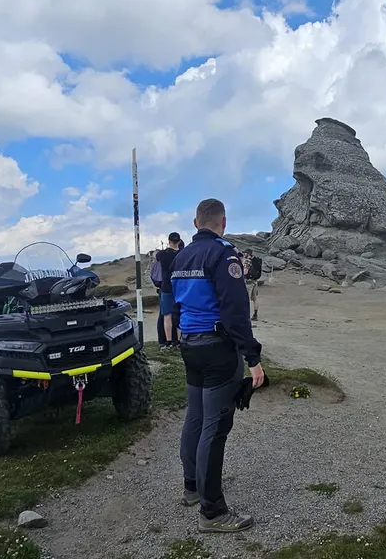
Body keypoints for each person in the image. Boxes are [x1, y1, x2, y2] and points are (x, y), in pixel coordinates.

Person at [170, 199, 263, 533]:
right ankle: (213, 513)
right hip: (217, 348)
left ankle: (192, 487)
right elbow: (235, 309)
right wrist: (252, 358)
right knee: (215, 426)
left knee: (195, 417)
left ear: (196, 222)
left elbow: (176, 302)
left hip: (190, 345)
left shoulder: (181, 256)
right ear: (222, 222)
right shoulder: (224, 254)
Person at [156, 232, 182, 350]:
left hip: (166, 286)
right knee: (180, 314)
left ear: (169, 240)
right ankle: (179, 341)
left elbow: (156, 258)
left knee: (167, 315)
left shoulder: (162, 254)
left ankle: (168, 341)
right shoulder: (183, 254)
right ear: (179, 241)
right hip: (180, 287)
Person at [240, 248, 262, 321]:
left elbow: (245, 272)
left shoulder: (247, 261)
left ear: (248, 253)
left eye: (245, 253)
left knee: (246, 299)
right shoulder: (255, 260)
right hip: (255, 281)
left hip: (248, 282)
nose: (244, 254)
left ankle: (246, 316)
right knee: (255, 299)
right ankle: (255, 315)